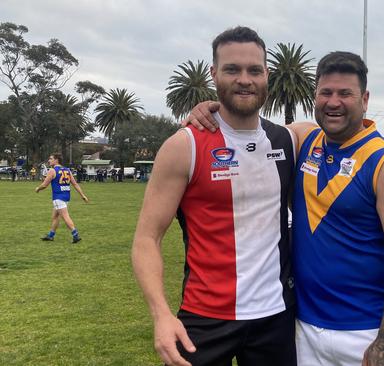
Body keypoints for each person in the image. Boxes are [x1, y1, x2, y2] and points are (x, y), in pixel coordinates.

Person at [186, 51, 384, 366]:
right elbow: (246, 123)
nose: (333, 102)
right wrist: (211, 108)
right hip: (302, 329)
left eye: (345, 94)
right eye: (325, 93)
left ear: (364, 99)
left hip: (363, 333)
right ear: (315, 97)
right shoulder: (305, 139)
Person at [131, 26, 297, 366]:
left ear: (267, 74)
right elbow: (147, 238)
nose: (244, 79)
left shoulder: (288, 141)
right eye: (232, 69)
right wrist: (161, 316)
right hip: (204, 317)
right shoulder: (184, 146)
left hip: (276, 316)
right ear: (213, 73)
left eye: (254, 70)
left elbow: (345, 127)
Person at [35, 153, 89, 243]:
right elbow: (75, 184)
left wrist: (38, 189)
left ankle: (75, 235)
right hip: (66, 196)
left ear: (56, 160)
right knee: (55, 216)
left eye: (51, 159)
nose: (49, 160)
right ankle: (51, 235)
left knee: (65, 216)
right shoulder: (67, 170)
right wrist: (82, 195)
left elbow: (44, 185)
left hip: (58, 197)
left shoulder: (52, 171)